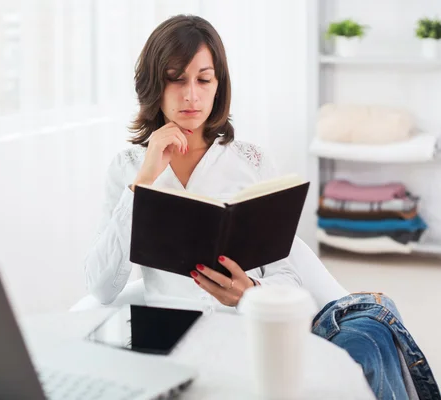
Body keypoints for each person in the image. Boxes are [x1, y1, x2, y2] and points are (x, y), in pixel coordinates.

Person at [83, 14, 347, 313]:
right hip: (169, 339)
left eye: (204, 79)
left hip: (242, 331)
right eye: (176, 79)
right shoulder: (127, 167)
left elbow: (289, 277)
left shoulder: (253, 162)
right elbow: (101, 289)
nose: (191, 95)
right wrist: (142, 182)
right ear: (154, 85)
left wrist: (250, 291)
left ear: (218, 86)